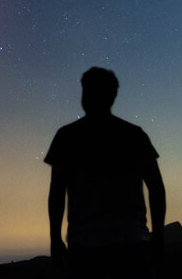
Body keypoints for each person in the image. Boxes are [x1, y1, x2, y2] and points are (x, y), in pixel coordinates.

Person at [45, 67, 166, 278]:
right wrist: (158, 236)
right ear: (113, 95)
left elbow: (57, 192)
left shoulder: (67, 136)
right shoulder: (134, 135)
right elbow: (156, 189)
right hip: (132, 243)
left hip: (85, 246)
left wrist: (55, 238)